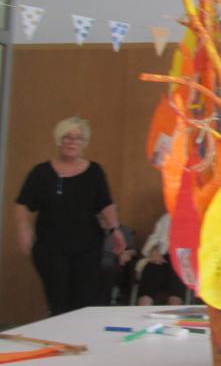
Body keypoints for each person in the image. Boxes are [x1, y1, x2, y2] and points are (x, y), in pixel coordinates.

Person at [13, 117, 127, 316]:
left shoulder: (95, 171)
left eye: (78, 138)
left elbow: (105, 203)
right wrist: (23, 229)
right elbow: (22, 204)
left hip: (87, 248)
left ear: (84, 142)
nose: (72, 142)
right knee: (58, 302)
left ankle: (80, 335)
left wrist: (115, 230)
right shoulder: (41, 172)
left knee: (84, 301)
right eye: (67, 137)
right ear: (59, 140)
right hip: (50, 248)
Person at [136, 213, 187, 306]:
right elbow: (154, 238)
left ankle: (174, 310)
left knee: (177, 273)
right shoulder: (167, 217)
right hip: (161, 256)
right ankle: (143, 310)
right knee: (150, 269)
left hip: (183, 259)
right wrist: (153, 250)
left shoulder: (201, 218)